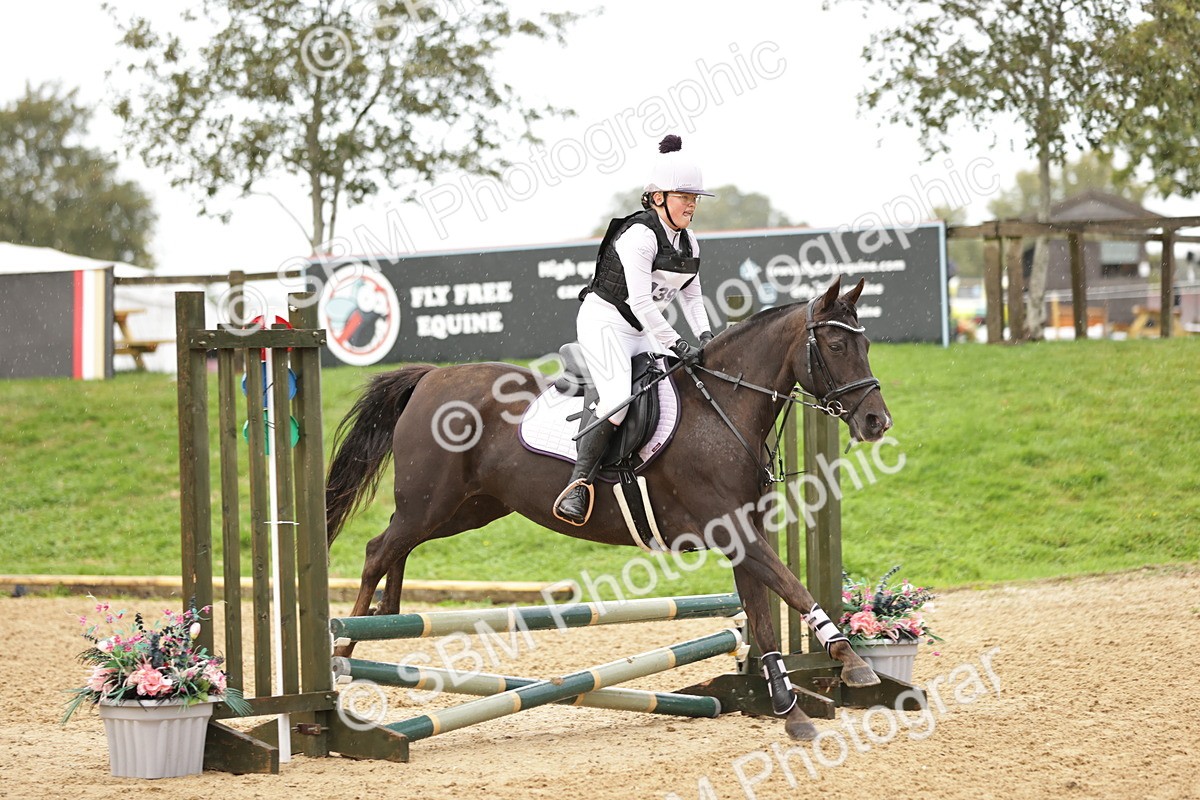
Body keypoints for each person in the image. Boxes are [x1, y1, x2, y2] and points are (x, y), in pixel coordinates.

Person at [553, 134, 716, 525]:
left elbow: (692, 299)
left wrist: (707, 337)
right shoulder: (639, 236)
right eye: (684, 196)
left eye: (694, 198)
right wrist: (678, 343)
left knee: (678, 385)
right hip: (605, 321)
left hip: (642, 328)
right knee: (618, 398)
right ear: (658, 197)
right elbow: (642, 303)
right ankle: (578, 485)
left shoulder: (689, 242)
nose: (691, 204)